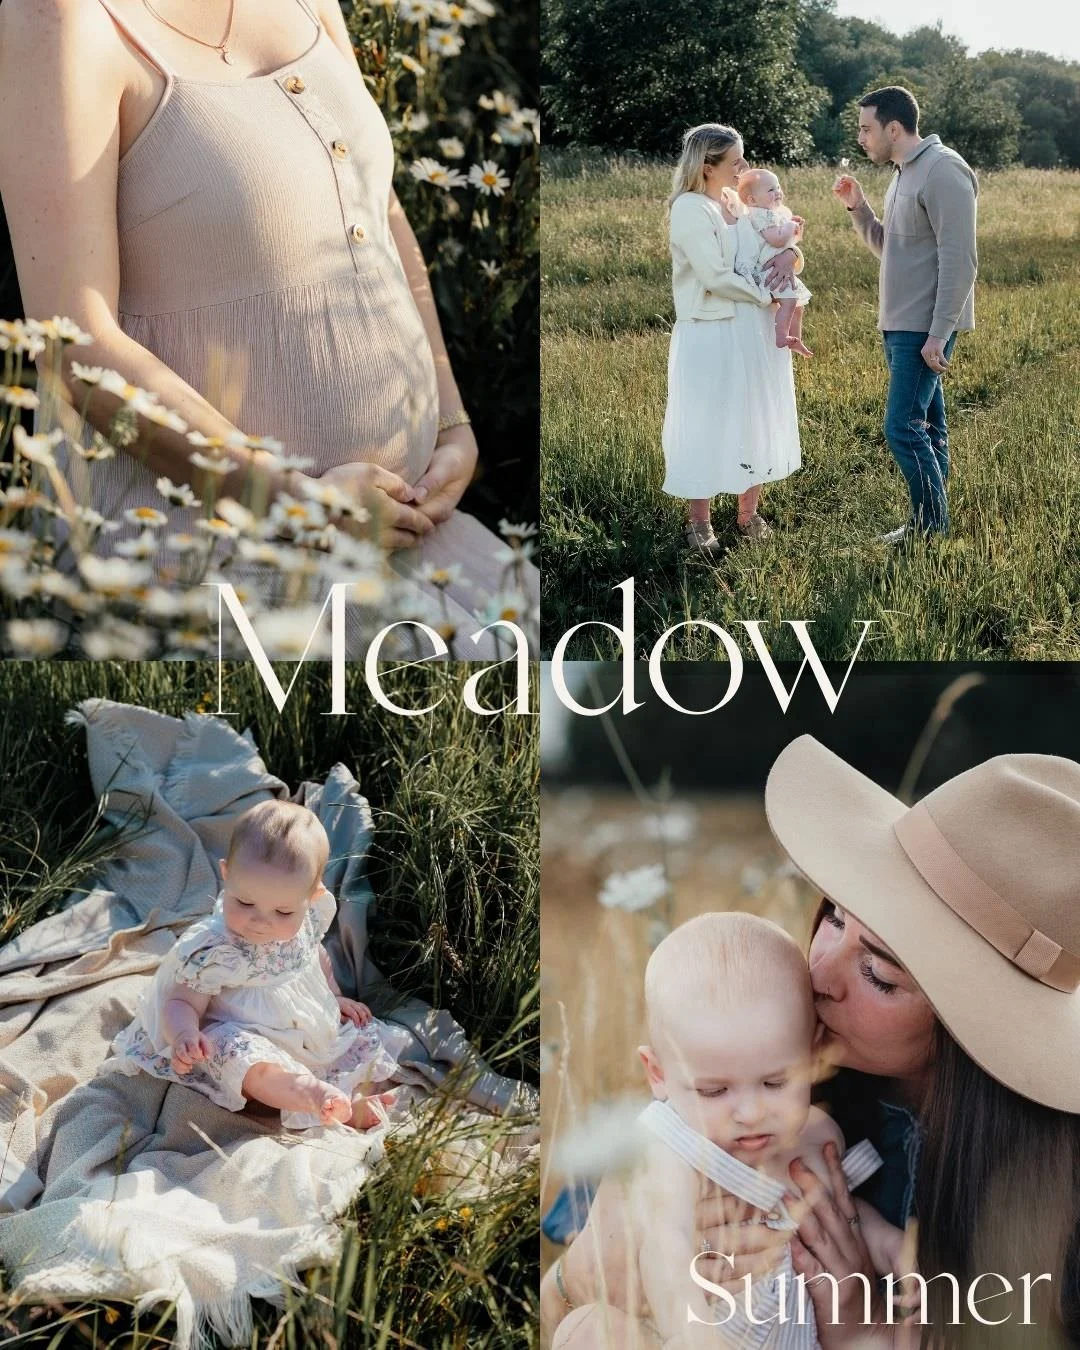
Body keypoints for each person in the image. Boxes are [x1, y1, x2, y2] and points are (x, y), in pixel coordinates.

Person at [0, 0, 537, 641]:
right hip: (213, 560)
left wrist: (451, 424)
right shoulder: (58, 20)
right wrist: (292, 500)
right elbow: (74, 344)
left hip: (415, 532)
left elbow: (380, 206)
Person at [548, 736, 1080, 1348]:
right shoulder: (726, 1054)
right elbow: (550, 1313)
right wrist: (587, 1270)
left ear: (977, 1027)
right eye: (834, 916)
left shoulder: (1046, 1211)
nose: (820, 972)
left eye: (878, 973)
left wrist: (859, 1329)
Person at [543, 911, 898, 1350]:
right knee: (585, 1331)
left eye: (775, 1083)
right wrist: (692, 1334)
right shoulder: (672, 1146)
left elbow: (843, 1215)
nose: (750, 1113)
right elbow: (665, 1245)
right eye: (713, 1091)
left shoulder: (816, 1133)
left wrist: (895, 1249)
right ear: (658, 1074)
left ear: (813, 1054)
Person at [101, 800, 410, 1130]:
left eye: (283, 912)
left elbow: (313, 958)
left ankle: (348, 1102)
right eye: (245, 902)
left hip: (296, 1026)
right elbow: (180, 1001)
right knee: (243, 1059)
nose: (260, 921)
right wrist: (183, 1034)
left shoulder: (306, 919)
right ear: (226, 875)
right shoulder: (215, 949)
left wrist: (334, 997)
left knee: (347, 1042)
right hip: (235, 1028)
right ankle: (312, 1096)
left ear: (312, 897)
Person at [833, 86, 978, 543]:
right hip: (899, 323)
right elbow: (892, 248)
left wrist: (939, 332)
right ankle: (932, 523)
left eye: (866, 129)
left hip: (923, 326)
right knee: (928, 426)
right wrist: (858, 208)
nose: (861, 138)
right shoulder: (903, 173)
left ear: (893, 128)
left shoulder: (943, 169)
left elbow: (961, 260)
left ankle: (930, 528)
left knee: (902, 428)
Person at [661, 124, 803, 556]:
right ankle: (699, 521)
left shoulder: (736, 200)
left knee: (754, 413)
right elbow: (715, 276)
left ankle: (748, 513)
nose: (744, 166)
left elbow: (773, 240)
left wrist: (791, 254)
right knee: (706, 419)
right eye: (735, 160)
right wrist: (765, 295)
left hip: (754, 327)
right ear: (708, 166)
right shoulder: (690, 208)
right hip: (711, 326)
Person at [737, 169, 813, 357]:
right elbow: (777, 240)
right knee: (790, 302)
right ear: (752, 200)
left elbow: (789, 241)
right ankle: (781, 336)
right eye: (771, 190)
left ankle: (795, 339)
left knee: (797, 305)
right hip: (769, 270)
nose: (778, 192)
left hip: (778, 268)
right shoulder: (760, 215)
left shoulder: (773, 213)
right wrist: (789, 226)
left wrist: (793, 226)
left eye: (778, 187)